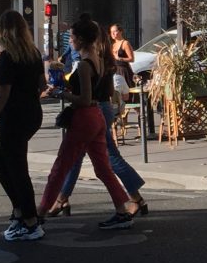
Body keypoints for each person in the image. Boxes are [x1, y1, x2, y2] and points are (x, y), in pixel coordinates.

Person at [37, 15, 139, 229]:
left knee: (61, 166)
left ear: (81, 39)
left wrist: (60, 94)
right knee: (102, 168)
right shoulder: (100, 60)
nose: (70, 40)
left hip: (84, 118)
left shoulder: (84, 65)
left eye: (72, 37)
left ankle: (40, 212)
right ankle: (122, 210)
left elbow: (84, 99)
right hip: (97, 117)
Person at [0, 11, 45, 241]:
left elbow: (1, 96)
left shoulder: (7, 58)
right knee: (2, 161)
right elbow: (42, 85)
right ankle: (19, 212)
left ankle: (30, 221)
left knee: (15, 168)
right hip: (31, 113)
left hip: (13, 117)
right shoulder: (33, 54)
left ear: (2, 31)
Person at [109, 23, 135, 88]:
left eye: (115, 31)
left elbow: (131, 59)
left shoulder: (125, 43)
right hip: (115, 71)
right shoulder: (112, 45)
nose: (113, 33)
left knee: (126, 92)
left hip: (123, 71)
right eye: (111, 32)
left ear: (121, 31)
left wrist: (119, 58)